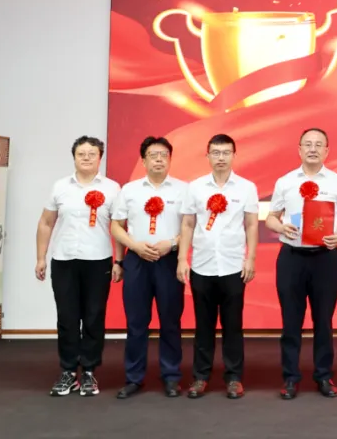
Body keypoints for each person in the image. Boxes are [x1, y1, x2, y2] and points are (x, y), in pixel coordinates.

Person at [265, 128, 337, 400]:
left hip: (325, 258)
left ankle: (323, 375)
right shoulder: (285, 181)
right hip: (292, 258)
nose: (313, 149)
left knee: (323, 320)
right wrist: (281, 226)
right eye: (308, 144)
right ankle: (290, 378)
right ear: (299, 149)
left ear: (327, 151)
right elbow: (271, 217)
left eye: (318, 145)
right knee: (291, 321)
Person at [36, 136, 122, 397]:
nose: (86, 158)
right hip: (64, 260)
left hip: (98, 261)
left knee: (94, 317)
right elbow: (46, 223)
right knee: (67, 317)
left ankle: (89, 372)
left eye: (92, 154)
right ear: (74, 157)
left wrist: (119, 261)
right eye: (81, 154)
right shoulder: (61, 186)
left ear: (100, 158)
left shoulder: (112, 188)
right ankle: (68, 371)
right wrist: (41, 257)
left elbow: (118, 227)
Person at [176, 134, 259, 399]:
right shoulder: (195, 187)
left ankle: (233, 377)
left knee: (233, 325)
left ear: (234, 155)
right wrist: (182, 259)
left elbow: (251, 225)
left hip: (234, 265)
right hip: (202, 265)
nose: (220, 157)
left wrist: (251, 258)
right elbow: (188, 224)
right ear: (207, 156)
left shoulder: (246, 187)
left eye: (225, 152)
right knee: (203, 326)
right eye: (215, 152)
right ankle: (200, 377)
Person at [110, 136, 188, 399]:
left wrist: (172, 243)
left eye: (164, 155)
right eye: (153, 155)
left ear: (170, 159)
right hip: (137, 260)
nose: (159, 160)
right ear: (143, 161)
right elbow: (116, 226)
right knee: (136, 322)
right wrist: (130, 249)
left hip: (169, 260)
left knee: (170, 321)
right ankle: (134, 377)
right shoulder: (129, 190)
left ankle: (171, 376)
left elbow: (191, 227)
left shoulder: (183, 190)